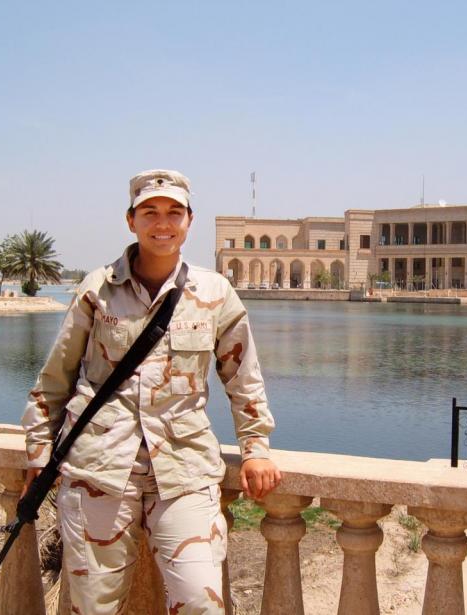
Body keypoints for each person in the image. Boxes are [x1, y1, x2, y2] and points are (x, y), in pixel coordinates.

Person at [21, 169, 281, 615]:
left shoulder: (215, 293)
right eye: (150, 212)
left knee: (201, 602)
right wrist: (37, 451)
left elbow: (243, 376)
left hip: (183, 471)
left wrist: (255, 446)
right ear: (131, 220)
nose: (163, 223)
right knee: (93, 607)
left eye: (173, 213)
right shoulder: (97, 290)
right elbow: (55, 377)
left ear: (189, 221)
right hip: (99, 472)